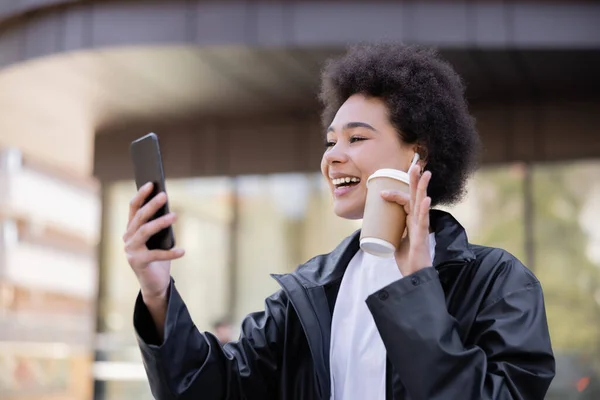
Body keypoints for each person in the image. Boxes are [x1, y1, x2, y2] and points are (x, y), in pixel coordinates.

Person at [124, 43, 555, 399]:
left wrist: (417, 288)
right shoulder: (311, 291)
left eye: (356, 138)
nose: (332, 156)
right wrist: (157, 292)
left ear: (416, 155)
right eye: (331, 141)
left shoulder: (497, 283)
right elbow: (215, 391)